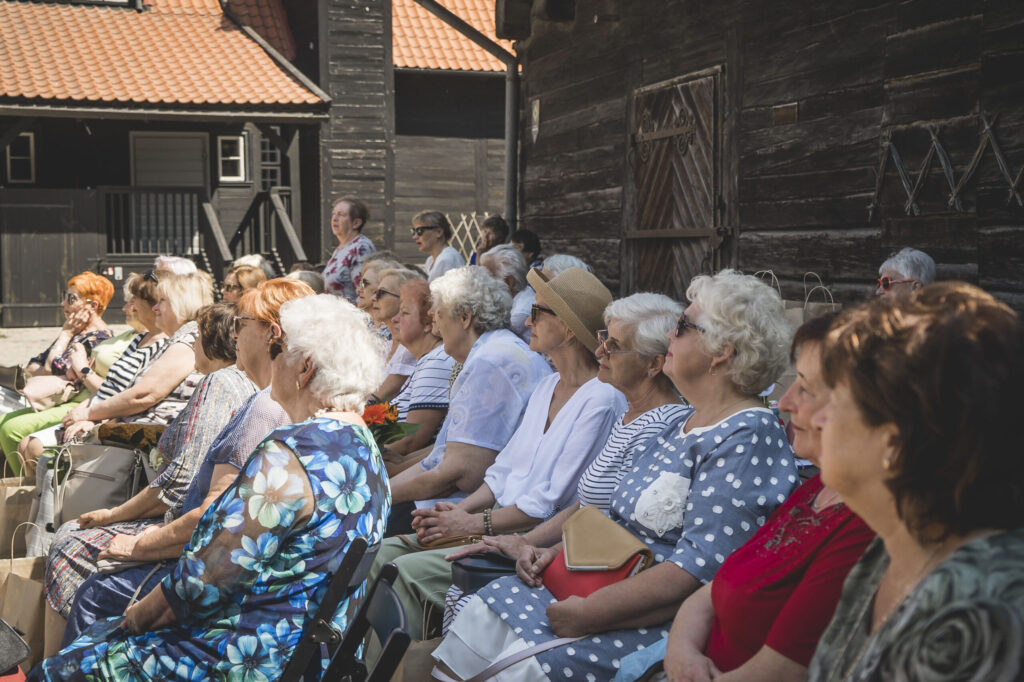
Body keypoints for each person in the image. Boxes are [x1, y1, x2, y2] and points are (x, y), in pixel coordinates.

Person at [432, 269, 799, 682]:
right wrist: (556, 557)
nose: (669, 337)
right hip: (596, 585)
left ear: (722, 351)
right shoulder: (680, 422)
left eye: (682, 325)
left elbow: (703, 570)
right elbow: (612, 517)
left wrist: (590, 612)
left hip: (647, 620)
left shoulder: (747, 434)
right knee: (480, 616)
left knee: (519, 666)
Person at [29, 294, 391, 682]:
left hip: (237, 658)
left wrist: (135, 618)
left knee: (58, 670)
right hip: (299, 652)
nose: (271, 357)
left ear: (304, 367)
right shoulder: (365, 450)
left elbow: (200, 583)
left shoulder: (291, 455)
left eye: (278, 348)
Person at [613, 314, 875, 682]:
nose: (784, 401)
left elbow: (781, 669)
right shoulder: (818, 488)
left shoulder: (866, 525)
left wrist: (588, 611)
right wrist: (680, 652)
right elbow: (712, 588)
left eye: (807, 388)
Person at [373, 266, 626, 638]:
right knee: (383, 552)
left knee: (402, 571)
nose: (527, 320)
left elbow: (549, 502)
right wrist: (458, 512)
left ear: (569, 329)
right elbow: (502, 470)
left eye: (539, 312)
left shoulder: (601, 398)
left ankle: (409, 667)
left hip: (530, 538)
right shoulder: (550, 385)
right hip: (497, 519)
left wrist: (471, 523)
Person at [59, 279, 313, 644]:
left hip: (214, 589)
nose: (233, 335)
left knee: (81, 569)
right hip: (246, 590)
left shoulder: (254, 401)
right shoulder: (294, 408)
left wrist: (136, 543)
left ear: (271, 333)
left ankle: (51, 664)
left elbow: (209, 517)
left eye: (239, 323)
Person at [804, 283, 1024, 681]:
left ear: (894, 442)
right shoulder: (892, 549)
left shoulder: (983, 611)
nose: (816, 420)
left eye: (833, 401)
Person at [440, 293, 691, 625]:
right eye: (604, 339)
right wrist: (528, 545)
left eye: (613, 346)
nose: (600, 350)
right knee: (461, 590)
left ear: (654, 365)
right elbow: (587, 506)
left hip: (602, 576)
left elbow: (614, 523)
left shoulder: (658, 427)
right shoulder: (629, 415)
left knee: (469, 598)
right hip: (567, 551)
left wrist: (531, 546)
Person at [43, 304, 257, 630]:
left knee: (67, 541)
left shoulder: (220, 384)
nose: (193, 344)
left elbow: (181, 484)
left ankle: (55, 660)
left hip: (183, 533)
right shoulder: (239, 383)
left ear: (212, 340)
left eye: (197, 336)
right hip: (196, 530)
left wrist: (116, 519)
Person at [386, 266, 551, 534]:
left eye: (438, 313)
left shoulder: (492, 362)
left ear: (464, 317)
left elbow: (459, 473)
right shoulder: (493, 351)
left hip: (477, 513)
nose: (432, 320)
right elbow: (451, 451)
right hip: (474, 506)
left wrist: (374, 497)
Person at [59, 271, 214, 440]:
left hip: (148, 439)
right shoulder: (174, 341)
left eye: (162, 301)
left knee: (43, 447)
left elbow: (142, 396)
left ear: (181, 304)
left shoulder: (187, 342)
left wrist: (90, 415)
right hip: (130, 428)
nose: (156, 307)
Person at [0, 272, 116, 473]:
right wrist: (53, 360)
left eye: (71, 298)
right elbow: (34, 365)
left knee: (11, 428)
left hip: (77, 402)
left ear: (92, 306)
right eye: (65, 296)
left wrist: (64, 335)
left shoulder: (99, 337)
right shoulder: (76, 332)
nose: (63, 304)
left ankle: (20, 490)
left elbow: (51, 367)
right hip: (53, 398)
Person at [381, 278, 454, 458]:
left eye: (404, 313)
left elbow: (410, 441)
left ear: (429, 323)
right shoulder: (426, 361)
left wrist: (363, 459)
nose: (395, 319)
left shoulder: (437, 362)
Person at [371, 268, 424, 404]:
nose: (373, 298)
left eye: (381, 293)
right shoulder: (387, 345)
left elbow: (381, 396)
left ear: (404, 300)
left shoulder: (409, 346)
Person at [323, 196, 376, 301]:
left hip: (351, 315)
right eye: (334, 214)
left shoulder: (361, 248)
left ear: (356, 223)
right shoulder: (340, 249)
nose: (334, 218)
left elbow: (363, 292)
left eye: (341, 215)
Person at [480, 244, 533, 342]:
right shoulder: (518, 297)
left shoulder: (519, 314)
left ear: (509, 282)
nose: (481, 282)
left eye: (486, 277)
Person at [413, 210, 466, 281]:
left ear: (439, 232)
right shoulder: (430, 260)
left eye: (420, 231)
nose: (414, 237)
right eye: (413, 231)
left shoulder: (446, 260)